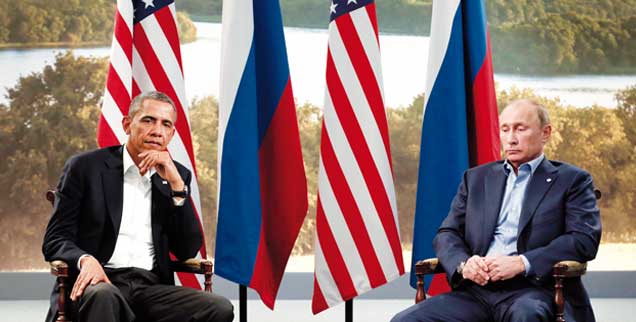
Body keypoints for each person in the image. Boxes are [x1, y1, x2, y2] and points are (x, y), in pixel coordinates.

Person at [391, 99, 602, 322]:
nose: (511, 138)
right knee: (405, 320)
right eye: (505, 129)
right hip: (477, 290)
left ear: (545, 133)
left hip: (535, 291)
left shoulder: (572, 180)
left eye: (521, 129)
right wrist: (464, 264)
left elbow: (583, 239)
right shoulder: (476, 179)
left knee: (526, 316)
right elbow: (447, 234)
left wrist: (522, 263)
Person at [42, 91, 234, 322]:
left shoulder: (177, 175)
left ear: (171, 134)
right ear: (127, 124)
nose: (156, 130)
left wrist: (177, 188)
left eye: (165, 124)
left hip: (149, 289)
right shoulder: (85, 167)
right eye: (148, 120)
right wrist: (85, 259)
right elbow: (55, 239)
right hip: (98, 283)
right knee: (103, 295)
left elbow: (187, 249)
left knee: (218, 307)